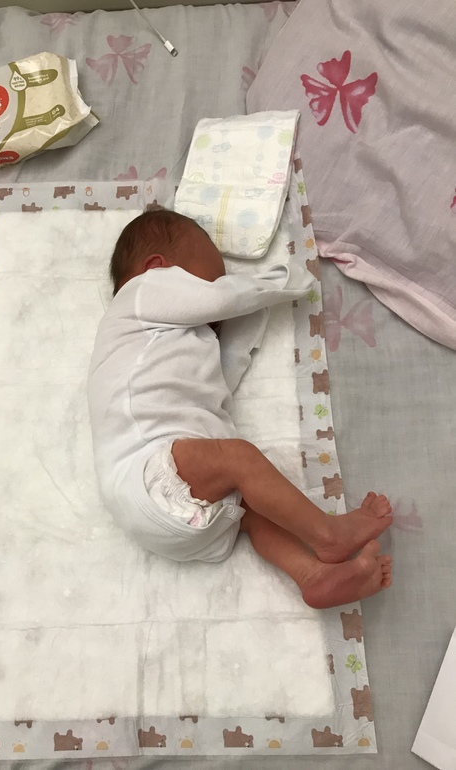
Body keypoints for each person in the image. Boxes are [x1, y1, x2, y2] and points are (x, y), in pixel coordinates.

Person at [87, 209, 393, 609]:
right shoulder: (140, 295)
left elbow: (226, 371)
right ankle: (328, 535)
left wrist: (251, 314)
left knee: (252, 506)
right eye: (210, 279)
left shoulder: (177, 342)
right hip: (144, 475)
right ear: (157, 268)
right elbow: (225, 299)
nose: (216, 290)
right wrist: (284, 281)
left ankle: (311, 575)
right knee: (239, 458)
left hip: (180, 515)